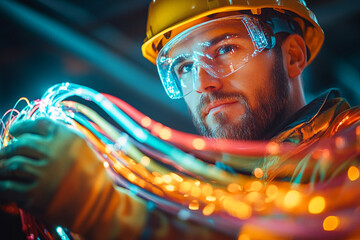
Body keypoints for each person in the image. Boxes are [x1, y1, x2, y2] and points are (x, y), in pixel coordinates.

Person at [0, 0, 359, 239]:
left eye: (225, 49)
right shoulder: (207, 197)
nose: (204, 83)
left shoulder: (351, 148)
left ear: (293, 56)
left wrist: (108, 212)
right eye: (184, 67)